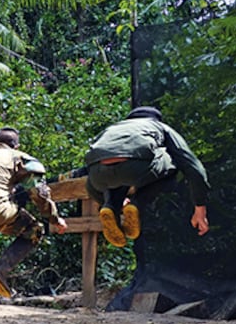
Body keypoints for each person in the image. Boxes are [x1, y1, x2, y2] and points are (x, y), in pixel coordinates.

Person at [0, 128, 67, 302]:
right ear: (16, 146)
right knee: (34, 230)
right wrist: (53, 217)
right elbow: (38, 192)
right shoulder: (19, 157)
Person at [84, 106, 210, 247]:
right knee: (174, 160)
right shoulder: (159, 126)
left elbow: (90, 167)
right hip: (136, 170)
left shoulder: (112, 129)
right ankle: (136, 204)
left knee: (115, 166)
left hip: (97, 178)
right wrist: (200, 208)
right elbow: (193, 166)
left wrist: (105, 199)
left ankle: (111, 206)